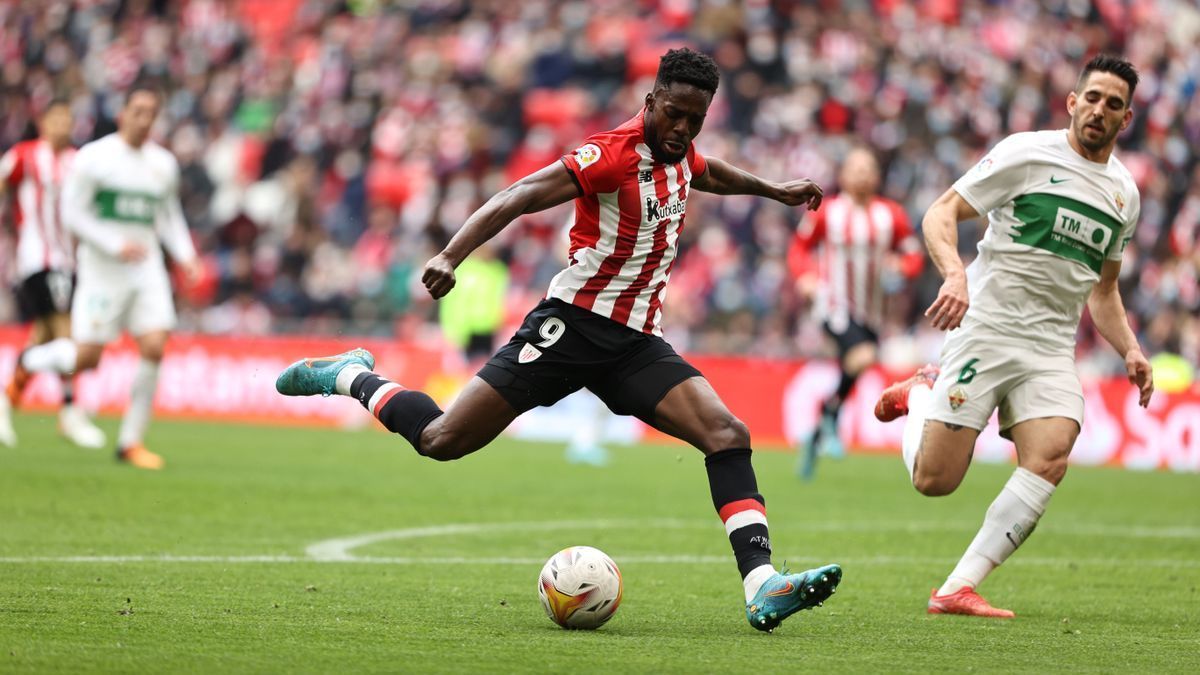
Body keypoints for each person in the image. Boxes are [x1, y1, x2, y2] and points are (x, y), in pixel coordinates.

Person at [277, 48, 842, 632]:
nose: (682, 129)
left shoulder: (681, 152)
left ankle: (762, 584)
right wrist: (451, 255)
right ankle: (348, 374)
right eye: (674, 114)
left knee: (727, 434)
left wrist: (774, 190)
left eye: (695, 120)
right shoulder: (609, 156)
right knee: (442, 439)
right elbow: (518, 195)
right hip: (570, 327)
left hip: (635, 344)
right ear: (650, 101)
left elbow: (710, 171)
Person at [873, 54, 1154, 617]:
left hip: (1050, 346)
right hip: (988, 328)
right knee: (934, 481)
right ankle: (923, 391)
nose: (1100, 110)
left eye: (1114, 104)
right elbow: (942, 211)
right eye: (1092, 97)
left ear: (1126, 120)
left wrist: (1131, 348)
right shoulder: (1026, 153)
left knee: (1051, 455)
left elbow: (1103, 291)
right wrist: (956, 273)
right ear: (1073, 102)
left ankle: (956, 587)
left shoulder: (1124, 195)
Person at [9, 84, 201, 470]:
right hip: (101, 270)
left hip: (145, 269)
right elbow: (72, 214)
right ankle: (31, 361)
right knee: (86, 358)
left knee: (155, 345)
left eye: (152, 113)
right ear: (122, 114)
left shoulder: (162, 163)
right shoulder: (96, 159)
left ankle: (130, 442)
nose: (145, 120)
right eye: (138, 111)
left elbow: (167, 216)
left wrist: (186, 256)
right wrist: (114, 244)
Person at [787, 146, 923, 478]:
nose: (862, 174)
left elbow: (913, 255)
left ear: (877, 176)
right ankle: (829, 421)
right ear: (843, 175)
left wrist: (901, 267)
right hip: (832, 303)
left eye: (868, 168)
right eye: (855, 168)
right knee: (862, 356)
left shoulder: (891, 214)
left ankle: (821, 429)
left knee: (858, 361)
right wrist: (805, 278)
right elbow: (799, 248)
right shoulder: (827, 211)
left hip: (872, 311)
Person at [0, 100, 105, 449]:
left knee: (45, 334)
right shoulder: (25, 155)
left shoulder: (78, 161)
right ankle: (70, 412)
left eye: (67, 118)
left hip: (71, 261)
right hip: (37, 258)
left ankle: (7, 399)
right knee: (66, 331)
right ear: (42, 122)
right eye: (55, 118)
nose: (61, 124)